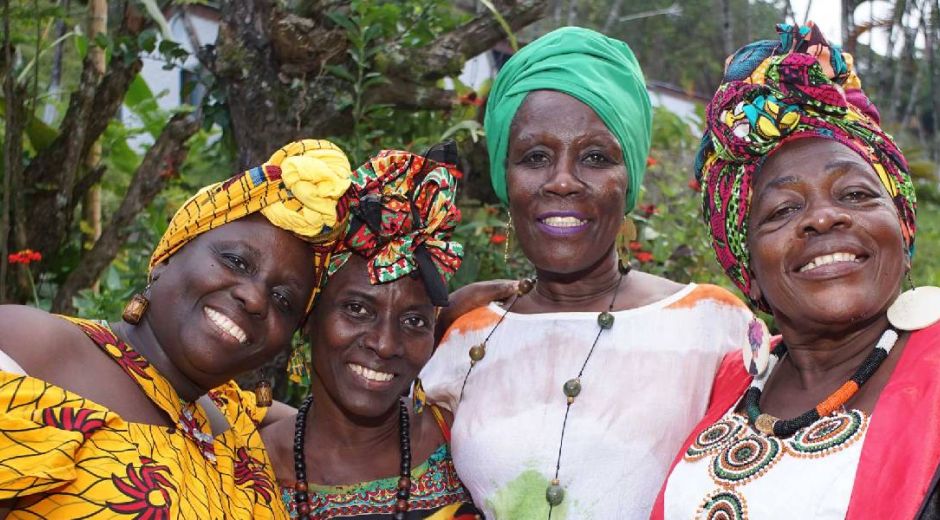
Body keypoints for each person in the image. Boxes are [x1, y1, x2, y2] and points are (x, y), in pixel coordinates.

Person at [418, 27, 758, 519]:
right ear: (504, 178)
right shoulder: (464, 338)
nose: (561, 180)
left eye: (596, 158)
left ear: (629, 181)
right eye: (535, 156)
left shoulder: (712, 325)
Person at [652, 23, 940, 519]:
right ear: (748, 269)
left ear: (902, 225)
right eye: (782, 210)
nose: (824, 217)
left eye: (855, 194)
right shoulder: (730, 381)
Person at [0, 139, 353, 519]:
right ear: (167, 256)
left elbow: (366, 436)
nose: (254, 299)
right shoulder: (34, 348)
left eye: (284, 300)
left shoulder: (238, 421)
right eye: (235, 261)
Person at [262, 148, 488, 519]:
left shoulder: (467, 446)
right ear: (309, 315)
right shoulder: (248, 471)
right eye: (357, 309)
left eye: (414, 321)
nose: (385, 344)